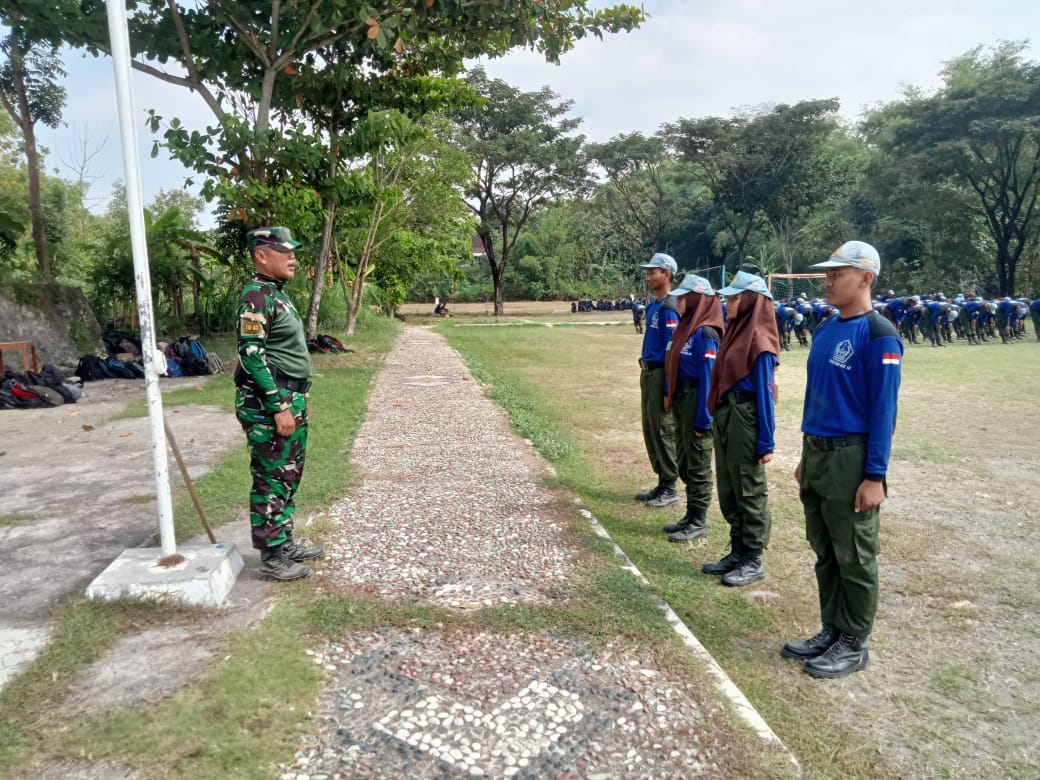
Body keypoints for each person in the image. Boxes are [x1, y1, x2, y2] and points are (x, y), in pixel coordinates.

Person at [783, 240, 902, 679]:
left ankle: (854, 641)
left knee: (854, 554)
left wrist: (875, 476)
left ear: (865, 278)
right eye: (827, 273)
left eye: (838, 273)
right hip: (817, 456)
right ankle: (831, 628)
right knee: (826, 550)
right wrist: (804, 455)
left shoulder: (878, 334)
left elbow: (883, 412)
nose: (828, 280)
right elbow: (819, 400)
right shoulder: (827, 329)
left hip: (851, 459)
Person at [236, 226, 324, 581]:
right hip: (268, 402)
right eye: (283, 251)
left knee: (289, 474)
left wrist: (301, 397)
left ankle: (283, 541)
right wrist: (278, 406)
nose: (293, 257)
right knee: (272, 476)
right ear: (261, 255)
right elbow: (251, 355)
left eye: (293, 250)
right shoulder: (256, 296)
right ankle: (272, 556)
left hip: (292, 396)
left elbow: (286, 352)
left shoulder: (277, 294)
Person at [702, 271, 779, 586]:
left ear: (749, 301)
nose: (727, 302)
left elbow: (766, 394)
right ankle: (737, 550)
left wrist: (766, 443)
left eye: (734, 298)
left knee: (749, 489)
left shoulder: (760, 340)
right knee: (730, 486)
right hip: (726, 415)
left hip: (745, 417)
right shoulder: (734, 332)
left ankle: (753, 557)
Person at [661, 274, 724, 542]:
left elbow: (709, 379)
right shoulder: (688, 328)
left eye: (685, 296)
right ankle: (690, 514)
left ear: (698, 299)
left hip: (697, 400)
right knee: (685, 460)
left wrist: (703, 420)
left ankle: (698, 520)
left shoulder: (706, 332)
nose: (679, 300)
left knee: (697, 463)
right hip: (682, 400)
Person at [634, 253, 681, 509]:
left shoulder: (670, 307)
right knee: (651, 427)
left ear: (667, 274)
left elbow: (672, 350)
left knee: (664, 429)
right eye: (648, 272)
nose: (649, 276)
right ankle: (662, 481)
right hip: (648, 372)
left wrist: (668, 389)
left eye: (654, 272)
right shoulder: (653, 306)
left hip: (662, 373)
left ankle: (671, 487)